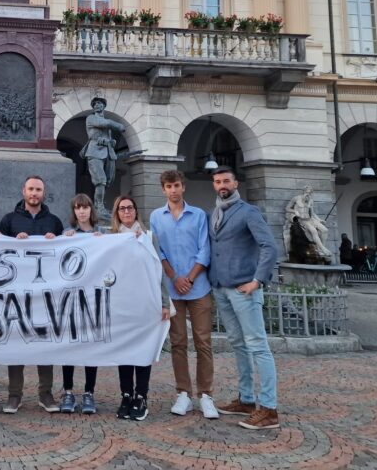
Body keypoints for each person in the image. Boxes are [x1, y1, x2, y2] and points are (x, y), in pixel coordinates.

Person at [208, 167, 280, 430]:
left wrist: (257, 280)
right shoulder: (214, 213)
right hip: (222, 288)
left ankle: (269, 409)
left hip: (244, 288)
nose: (222, 185)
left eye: (226, 180)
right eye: (217, 181)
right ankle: (246, 399)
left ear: (235, 183)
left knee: (258, 346)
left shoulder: (248, 212)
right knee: (238, 343)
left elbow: (269, 246)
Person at [149, 170, 217, 420]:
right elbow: (159, 252)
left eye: (177, 185)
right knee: (178, 343)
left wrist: (188, 277)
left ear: (183, 187)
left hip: (198, 286)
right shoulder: (156, 217)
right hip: (173, 288)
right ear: (163, 189)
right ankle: (184, 393)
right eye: (169, 186)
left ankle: (206, 394)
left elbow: (204, 250)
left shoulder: (198, 215)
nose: (173, 190)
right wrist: (174, 278)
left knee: (203, 342)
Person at [0, 175, 63, 414]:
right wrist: (14, 241)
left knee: (44, 343)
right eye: (31, 189)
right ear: (23, 191)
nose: (34, 193)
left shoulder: (54, 222)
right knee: (16, 343)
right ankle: (15, 395)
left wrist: (55, 241)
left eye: (38, 190)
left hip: (45, 295)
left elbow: (62, 256)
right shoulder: (9, 220)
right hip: (17, 293)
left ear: (43, 194)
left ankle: (46, 394)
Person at [110, 194, 171, 421]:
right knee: (125, 351)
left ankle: (141, 396)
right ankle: (126, 395)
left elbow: (159, 271)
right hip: (122, 304)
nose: (126, 212)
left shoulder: (148, 237)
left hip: (146, 303)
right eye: (122, 209)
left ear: (136, 211)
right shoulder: (111, 239)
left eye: (130, 208)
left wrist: (165, 302)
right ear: (117, 213)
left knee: (143, 351)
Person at [59, 193, 103, 415]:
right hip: (71, 300)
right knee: (70, 347)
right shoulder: (67, 235)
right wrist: (59, 239)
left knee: (90, 348)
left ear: (90, 210)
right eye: (78, 208)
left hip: (92, 300)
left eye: (85, 207)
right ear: (74, 211)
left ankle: (89, 392)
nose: (82, 211)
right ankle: (68, 391)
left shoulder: (101, 235)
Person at [79, 96, 124, 220]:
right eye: (95, 104)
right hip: (94, 151)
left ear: (104, 106)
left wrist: (111, 141)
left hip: (107, 151)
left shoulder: (106, 121)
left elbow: (106, 130)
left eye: (100, 103)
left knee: (108, 180)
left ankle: (101, 205)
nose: (97, 105)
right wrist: (119, 126)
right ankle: (99, 207)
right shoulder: (92, 118)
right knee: (100, 180)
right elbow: (105, 123)